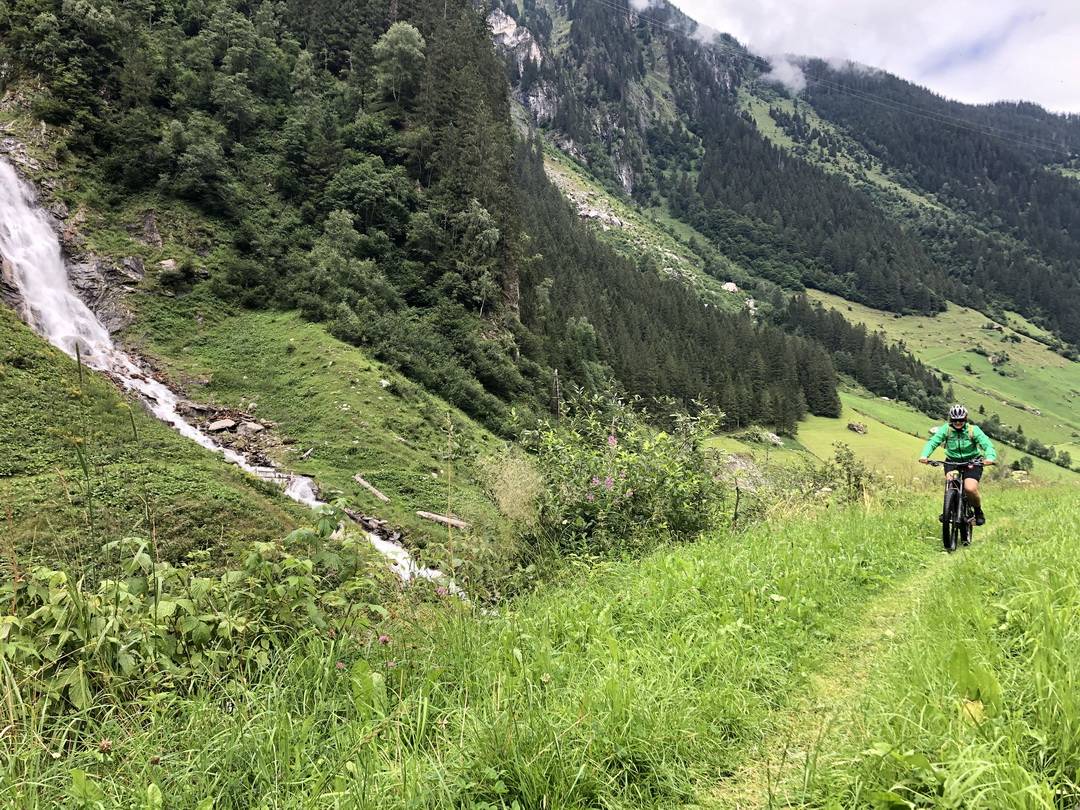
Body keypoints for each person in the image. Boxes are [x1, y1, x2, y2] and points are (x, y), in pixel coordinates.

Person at [919, 404, 996, 525]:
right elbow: (933, 442)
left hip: (972, 461)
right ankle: (948, 509)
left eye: (960, 420)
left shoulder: (973, 430)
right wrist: (924, 456)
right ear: (951, 420)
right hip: (952, 461)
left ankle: (978, 512)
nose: (958, 422)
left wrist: (990, 458)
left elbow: (987, 444)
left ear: (965, 419)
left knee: (970, 488)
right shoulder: (946, 429)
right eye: (955, 420)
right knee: (951, 482)